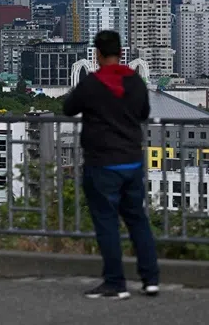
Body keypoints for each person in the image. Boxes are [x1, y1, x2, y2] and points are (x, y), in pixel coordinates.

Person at [63, 30, 159, 299]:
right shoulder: (136, 82)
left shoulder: (92, 84)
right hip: (131, 161)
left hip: (102, 162)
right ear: (120, 52)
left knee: (107, 224)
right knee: (137, 220)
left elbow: (68, 108)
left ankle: (115, 282)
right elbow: (144, 113)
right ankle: (150, 279)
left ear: (97, 54)